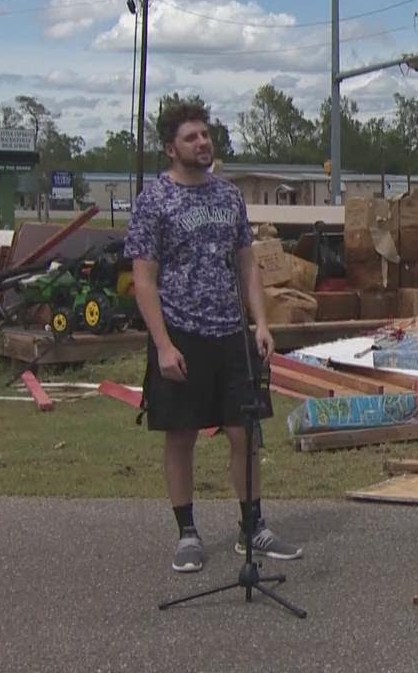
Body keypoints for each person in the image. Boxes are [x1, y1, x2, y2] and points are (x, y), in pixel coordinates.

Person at [124, 102, 303, 573]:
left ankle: (253, 527)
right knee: (181, 436)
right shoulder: (154, 201)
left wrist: (260, 323)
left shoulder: (227, 197)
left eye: (205, 134)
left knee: (246, 433)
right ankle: (187, 532)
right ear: (171, 148)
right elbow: (143, 280)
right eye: (191, 137)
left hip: (230, 333)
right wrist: (163, 344)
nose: (202, 142)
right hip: (181, 333)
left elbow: (246, 262)